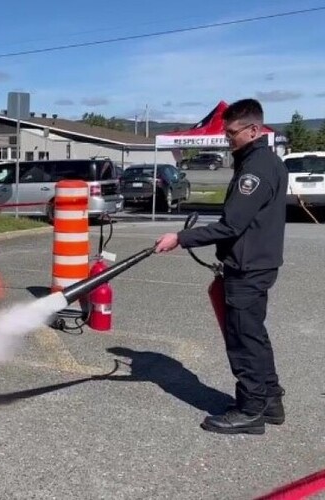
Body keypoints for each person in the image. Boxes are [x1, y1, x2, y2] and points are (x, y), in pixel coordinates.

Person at [154, 98, 288, 435]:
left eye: (232, 133)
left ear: (254, 130)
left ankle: (250, 410)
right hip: (256, 262)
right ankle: (270, 400)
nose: (227, 139)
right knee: (254, 335)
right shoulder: (260, 161)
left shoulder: (256, 169)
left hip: (248, 267)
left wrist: (181, 238)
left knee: (243, 340)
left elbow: (231, 225)